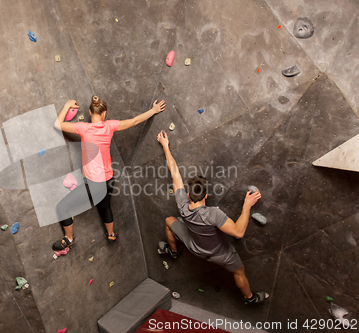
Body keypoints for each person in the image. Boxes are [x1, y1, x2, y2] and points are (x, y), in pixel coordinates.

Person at [156, 130, 269, 304]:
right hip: (219, 254)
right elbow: (238, 233)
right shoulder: (213, 214)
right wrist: (247, 205)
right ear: (206, 196)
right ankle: (249, 298)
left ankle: (173, 251)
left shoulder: (181, 203)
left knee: (169, 221)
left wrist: (165, 146)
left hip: (194, 246)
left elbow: (174, 171)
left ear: (187, 194)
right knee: (239, 272)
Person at [51, 96, 166, 251]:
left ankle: (69, 239)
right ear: (104, 114)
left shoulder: (83, 128)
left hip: (94, 185)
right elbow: (134, 121)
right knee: (105, 207)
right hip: (109, 180)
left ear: (90, 112)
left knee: (62, 208)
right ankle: (111, 234)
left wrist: (67, 105)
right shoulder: (109, 126)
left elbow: (58, 124)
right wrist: (153, 110)